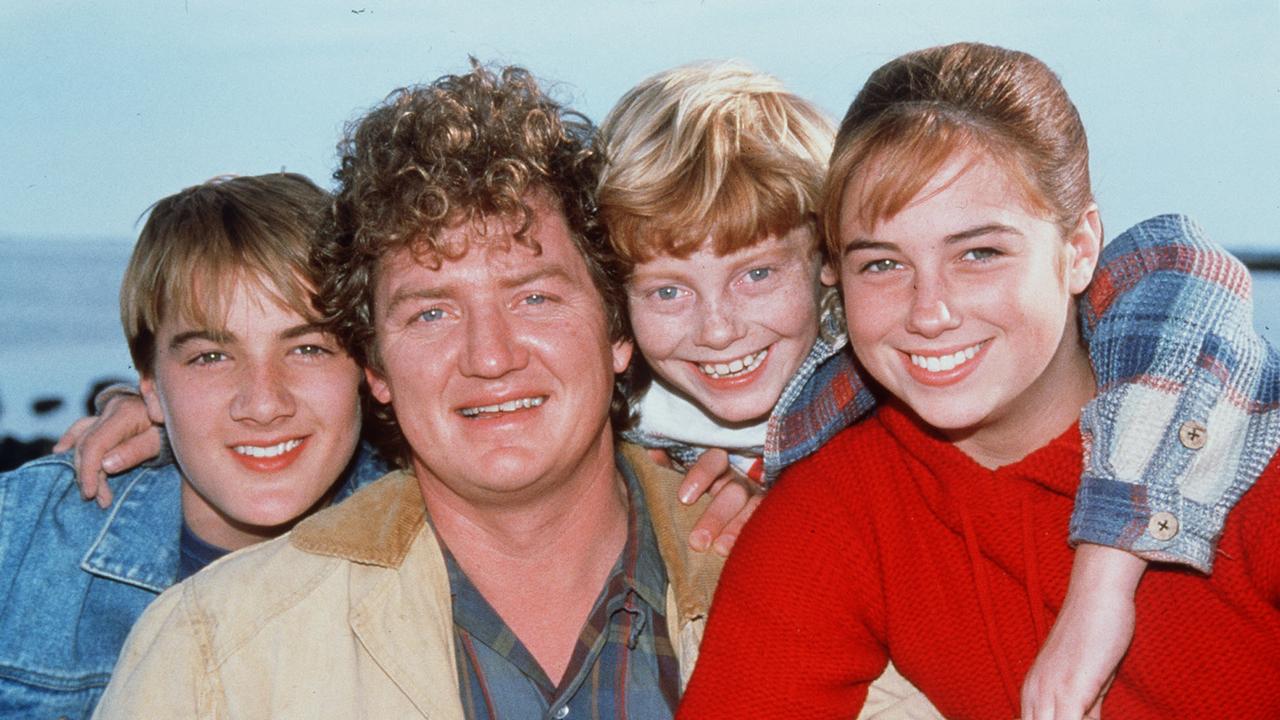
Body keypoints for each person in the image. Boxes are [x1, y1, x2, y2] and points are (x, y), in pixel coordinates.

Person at [600, 59, 1276, 717]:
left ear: (1078, 249)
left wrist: (1111, 554)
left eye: (978, 253)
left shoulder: (1240, 445)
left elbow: (1183, 270)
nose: (930, 312)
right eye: (884, 263)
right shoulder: (834, 504)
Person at [94, 62, 730, 719]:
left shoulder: (797, 578)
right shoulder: (213, 657)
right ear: (375, 367)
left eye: (534, 297)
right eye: (431, 313)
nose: (490, 356)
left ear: (617, 330)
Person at [0, 173, 389, 719]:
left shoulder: (433, 553)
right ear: (152, 387)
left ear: (367, 369)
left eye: (307, 348)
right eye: (211, 357)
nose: (262, 403)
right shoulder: (19, 545)